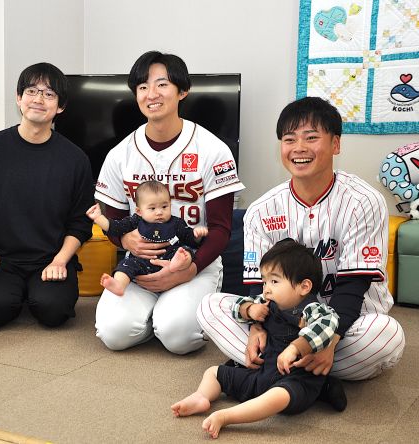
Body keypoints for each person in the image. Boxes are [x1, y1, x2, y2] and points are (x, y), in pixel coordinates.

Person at [197, 96, 405, 380]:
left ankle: (280, 367)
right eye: (289, 139)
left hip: (348, 323)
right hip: (283, 323)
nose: (299, 148)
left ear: (335, 144)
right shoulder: (261, 209)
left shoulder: (363, 201)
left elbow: (353, 286)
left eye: (311, 137)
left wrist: (327, 340)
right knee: (209, 305)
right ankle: (304, 370)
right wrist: (256, 327)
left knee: (386, 334)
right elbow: (259, 286)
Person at [94, 51, 245, 354]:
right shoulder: (120, 154)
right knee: (113, 334)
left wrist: (191, 270)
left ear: (182, 91)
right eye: (143, 87)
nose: (151, 94)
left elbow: (220, 228)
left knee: (178, 338)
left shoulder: (213, 149)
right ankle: (154, 319)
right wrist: (124, 239)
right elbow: (115, 223)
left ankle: (166, 319)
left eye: (162, 84)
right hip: (139, 263)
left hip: (194, 261)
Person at [0, 63, 94, 328]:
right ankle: (15, 292)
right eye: (31, 91)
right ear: (19, 99)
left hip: (51, 257)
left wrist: (61, 261)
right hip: (0, 258)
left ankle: (34, 292)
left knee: (53, 311)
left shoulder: (75, 159)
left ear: (61, 106)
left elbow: (81, 222)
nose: (39, 99)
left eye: (49, 94)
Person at [172, 240, 345, 439]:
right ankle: (201, 396)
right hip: (263, 373)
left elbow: (329, 323)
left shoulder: (312, 309)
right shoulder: (268, 301)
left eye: (274, 282)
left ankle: (227, 416)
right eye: (264, 281)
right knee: (213, 372)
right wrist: (249, 309)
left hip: (296, 380)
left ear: (304, 287)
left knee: (276, 397)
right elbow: (237, 305)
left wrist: (295, 348)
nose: (266, 289)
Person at [86, 180, 208, 296]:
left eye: (164, 207)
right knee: (125, 265)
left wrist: (196, 235)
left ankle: (178, 264)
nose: (159, 212)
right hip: (142, 261)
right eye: (152, 208)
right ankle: (119, 285)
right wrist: (98, 218)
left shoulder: (176, 223)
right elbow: (115, 227)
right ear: (139, 211)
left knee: (186, 251)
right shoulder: (135, 221)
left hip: (170, 259)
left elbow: (189, 238)